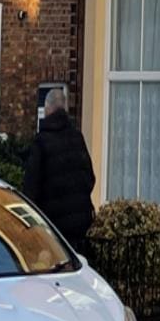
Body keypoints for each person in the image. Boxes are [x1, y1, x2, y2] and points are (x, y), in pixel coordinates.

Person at [23, 90, 96, 252]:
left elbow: (30, 189)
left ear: (47, 109)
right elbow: (90, 178)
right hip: (81, 224)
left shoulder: (41, 142)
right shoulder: (77, 137)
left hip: (54, 226)